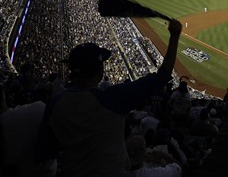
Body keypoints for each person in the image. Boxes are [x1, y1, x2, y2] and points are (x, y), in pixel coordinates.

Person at [37, 18, 182, 177]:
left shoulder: (55, 102)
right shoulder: (112, 98)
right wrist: (174, 37)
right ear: (99, 70)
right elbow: (161, 77)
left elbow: (45, 153)